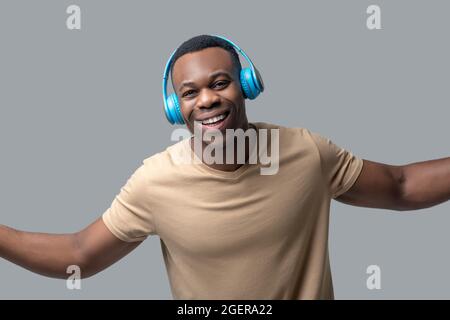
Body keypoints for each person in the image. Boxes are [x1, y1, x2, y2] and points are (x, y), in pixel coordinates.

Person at [0, 35, 449, 300]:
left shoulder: (304, 151)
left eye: (220, 83)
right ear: (176, 107)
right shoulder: (156, 181)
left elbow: (401, 185)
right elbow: (80, 254)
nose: (208, 99)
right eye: (190, 92)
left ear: (245, 85)